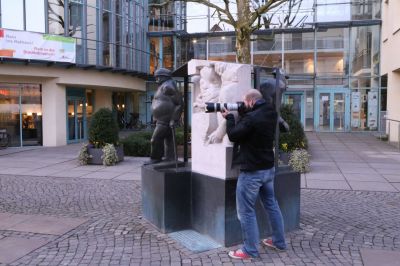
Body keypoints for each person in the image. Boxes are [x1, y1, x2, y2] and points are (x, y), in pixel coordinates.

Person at [222, 89, 287, 259]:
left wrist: (230, 118)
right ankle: (279, 242)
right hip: (268, 168)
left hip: (252, 172)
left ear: (251, 101)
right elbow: (253, 130)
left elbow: (234, 135)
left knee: (246, 211)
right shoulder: (271, 112)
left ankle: (249, 250)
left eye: (244, 102)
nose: (243, 105)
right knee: (272, 205)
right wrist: (244, 114)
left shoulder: (252, 118)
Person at [145, 68, 183, 165]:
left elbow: (179, 103)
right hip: (162, 119)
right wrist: (155, 117)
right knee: (168, 140)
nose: (156, 80)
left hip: (165, 120)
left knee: (155, 139)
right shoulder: (163, 86)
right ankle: (171, 158)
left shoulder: (168, 87)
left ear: (164, 77)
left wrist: (174, 119)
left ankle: (155, 158)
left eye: (158, 77)